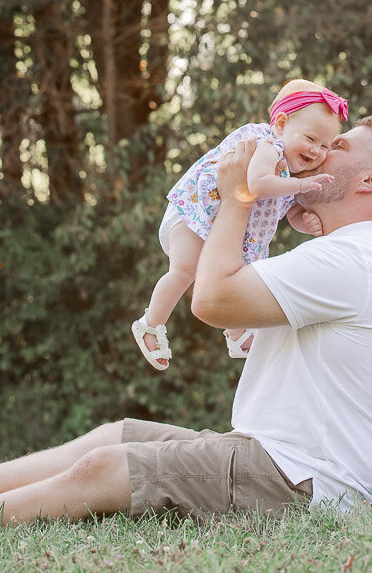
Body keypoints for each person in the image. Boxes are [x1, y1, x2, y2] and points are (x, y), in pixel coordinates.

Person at [0, 118, 372, 527]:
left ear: (371, 179)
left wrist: (237, 199)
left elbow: (213, 299)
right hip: (280, 457)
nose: (317, 146)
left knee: (106, 470)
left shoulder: (354, 260)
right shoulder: (350, 255)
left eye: (338, 145)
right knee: (117, 435)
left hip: (311, 480)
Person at [132, 79, 347, 368]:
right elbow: (257, 183)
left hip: (222, 229)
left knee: (230, 282)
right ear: (281, 124)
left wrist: (306, 221)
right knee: (185, 270)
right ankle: (150, 324)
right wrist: (301, 185)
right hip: (195, 214)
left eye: (324, 145)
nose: (317, 151)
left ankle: (236, 333)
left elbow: (290, 212)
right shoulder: (268, 144)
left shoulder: (292, 174)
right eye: (310, 139)